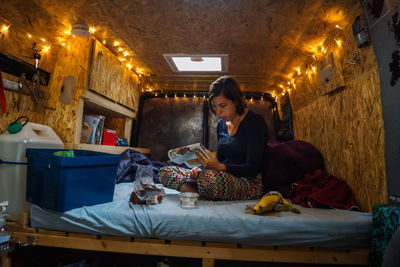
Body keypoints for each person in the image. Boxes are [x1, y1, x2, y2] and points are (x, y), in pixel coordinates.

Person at [158, 76, 268, 200]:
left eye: (222, 105)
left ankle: (201, 192)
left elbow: (253, 168)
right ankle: (201, 196)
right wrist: (199, 168)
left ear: (236, 101)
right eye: (215, 107)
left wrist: (219, 168)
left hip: (249, 182)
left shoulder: (255, 122)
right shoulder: (221, 124)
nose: (218, 112)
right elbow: (221, 158)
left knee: (207, 181)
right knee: (165, 172)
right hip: (219, 176)